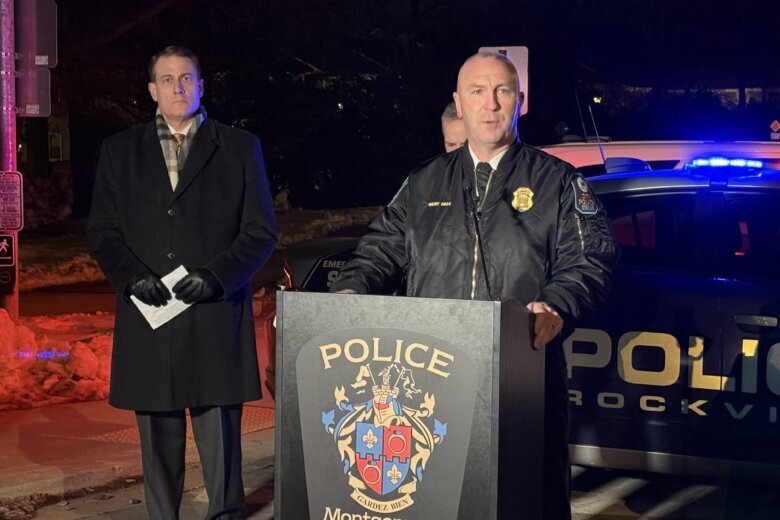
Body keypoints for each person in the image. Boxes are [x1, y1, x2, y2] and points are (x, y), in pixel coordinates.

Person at [330, 51, 618, 519]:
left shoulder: (558, 182)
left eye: (502, 91)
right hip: (430, 380)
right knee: (440, 499)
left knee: (528, 500)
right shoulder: (424, 182)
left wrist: (556, 304)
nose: (490, 104)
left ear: (520, 102)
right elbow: (379, 250)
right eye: (477, 92)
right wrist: (349, 292)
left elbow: (591, 257)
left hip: (523, 377)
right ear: (458, 103)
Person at [87, 45, 277, 519]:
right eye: (167, 79)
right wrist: (132, 277)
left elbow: (260, 231)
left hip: (214, 314)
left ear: (201, 85)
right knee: (157, 437)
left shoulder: (237, 147)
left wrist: (217, 276)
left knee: (220, 438)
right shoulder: (120, 150)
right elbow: (103, 232)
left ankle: (227, 513)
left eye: (187, 78)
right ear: (152, 89)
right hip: (149, 315)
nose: (178, 87)